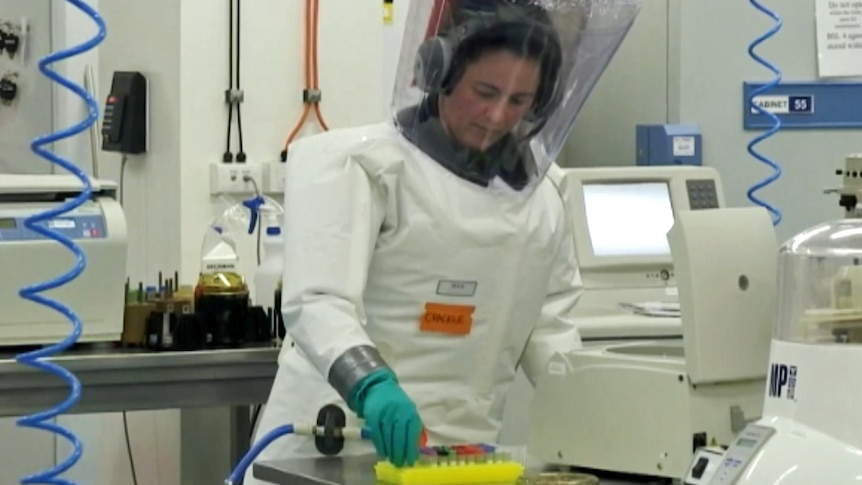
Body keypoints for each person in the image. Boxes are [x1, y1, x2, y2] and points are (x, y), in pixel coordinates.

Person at [244, 1, 641, 482]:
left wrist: (612, 422)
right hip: (327, 449)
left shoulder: (542, 200)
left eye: (519, 101)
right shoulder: (363, 167)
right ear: (441, 71)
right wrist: (372, 385)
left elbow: (551, 330)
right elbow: (320, 303)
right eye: (485, 91)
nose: (497, 115)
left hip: (457, 463)